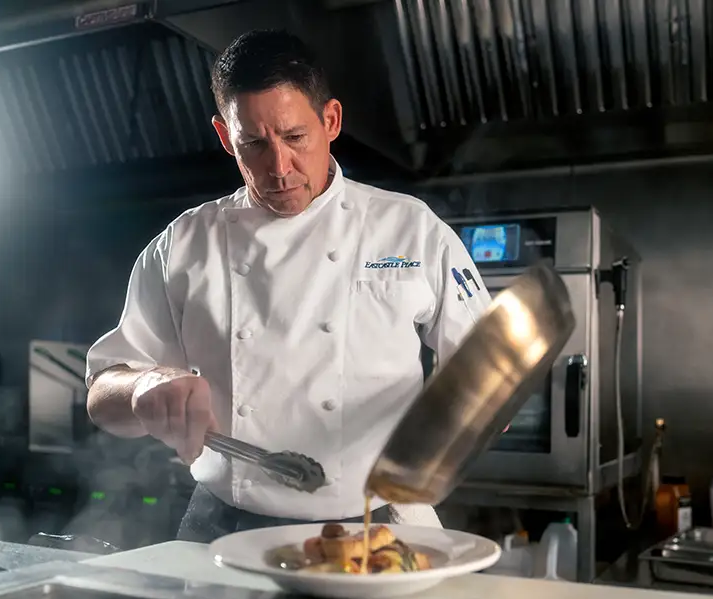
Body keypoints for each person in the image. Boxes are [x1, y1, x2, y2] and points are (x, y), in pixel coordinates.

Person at [85, 29, 490, 543]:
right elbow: (102, 391)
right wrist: (142, 388)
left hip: (374, 525)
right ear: (225, 137)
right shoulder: (184, 244)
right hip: (220, 527)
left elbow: (489, 375)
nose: (278, 167)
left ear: (331, 121)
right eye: (253, 144)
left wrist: (463, 417)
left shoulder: (412, 229)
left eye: (295, 137)